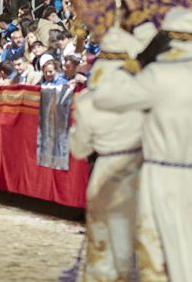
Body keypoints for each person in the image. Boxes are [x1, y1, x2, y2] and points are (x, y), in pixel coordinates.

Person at [92, 8, 192, 281]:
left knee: (161, 261)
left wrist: (137, 62)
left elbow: (104, 97)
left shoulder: (159, 76)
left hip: (163, 177)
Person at [69, 27, 146, 282]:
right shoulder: (147, 97)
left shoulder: (89, 101)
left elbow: (79, 149)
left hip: (105, 171)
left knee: (103, 250)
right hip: (140, 172)